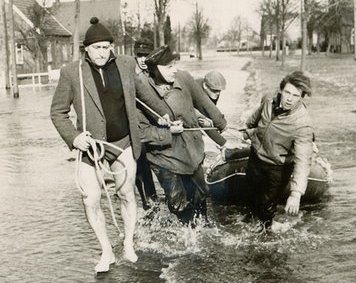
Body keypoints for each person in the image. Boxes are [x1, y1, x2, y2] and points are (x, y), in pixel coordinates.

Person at [50, 17, 140, 272]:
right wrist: (74, 137)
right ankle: (106, 251)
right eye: (96, 47)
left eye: (106, 47)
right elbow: (57, 112)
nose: (102, 52)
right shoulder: (72, 72)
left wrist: (166, 116)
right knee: (90, 199)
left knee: (126, 194)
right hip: (91, 148)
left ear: (111, 47)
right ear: (86, 49)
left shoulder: (125, 64)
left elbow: (143, 94)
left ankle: (129, 244)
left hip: (122, 143)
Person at [135, 45, 228, 224]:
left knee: (201, 196)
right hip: (164, 156)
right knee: (178, 202)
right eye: (169, 67)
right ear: (155, 68)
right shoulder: (141, 90)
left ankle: (201, 233)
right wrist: (166, 132)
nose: (174, 70)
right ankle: (185, 239)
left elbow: (204, 103)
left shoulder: (183, 78)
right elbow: (141, 132)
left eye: (174, 65)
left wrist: (220, 123)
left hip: (192, 151)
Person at [243, 71, 314, 232]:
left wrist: (296, 193)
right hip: (256, 157)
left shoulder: (302, 123)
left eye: (295, 96)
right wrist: (248, 128)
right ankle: (255, 225)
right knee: (250, 197)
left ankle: (266, 241)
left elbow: (303, 160)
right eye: (287, 93)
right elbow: (256, 117)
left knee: (265, 208)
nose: (289, 99)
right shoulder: (268, 100)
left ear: (302, 97)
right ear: (281, 90)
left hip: (278, 167)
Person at [132, 38, 159, 210]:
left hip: (156, 124)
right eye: (139, 55)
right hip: (138, 127)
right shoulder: (130, 75)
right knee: (141, 167)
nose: (143, 59)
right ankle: (147, 201)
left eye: (146, 55)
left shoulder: (157, 73)